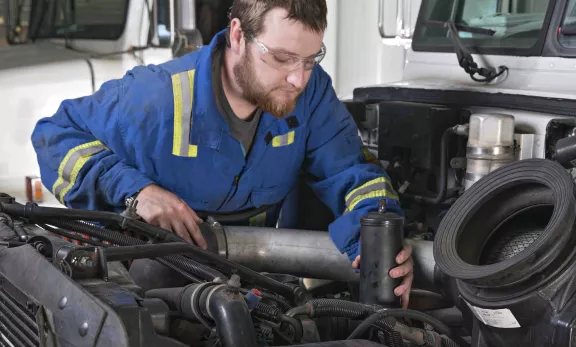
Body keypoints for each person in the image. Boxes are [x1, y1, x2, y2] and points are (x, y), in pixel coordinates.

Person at [32, 0, 414, 306]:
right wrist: (136, 191)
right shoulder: (157, 97)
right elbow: (55, 134)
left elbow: (352, 172)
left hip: (255, 280)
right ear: (237, 36)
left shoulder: (311, 96)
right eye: (282, 59)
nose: (298, 79)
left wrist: (380, 246)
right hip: (148, 286)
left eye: (311, 60)